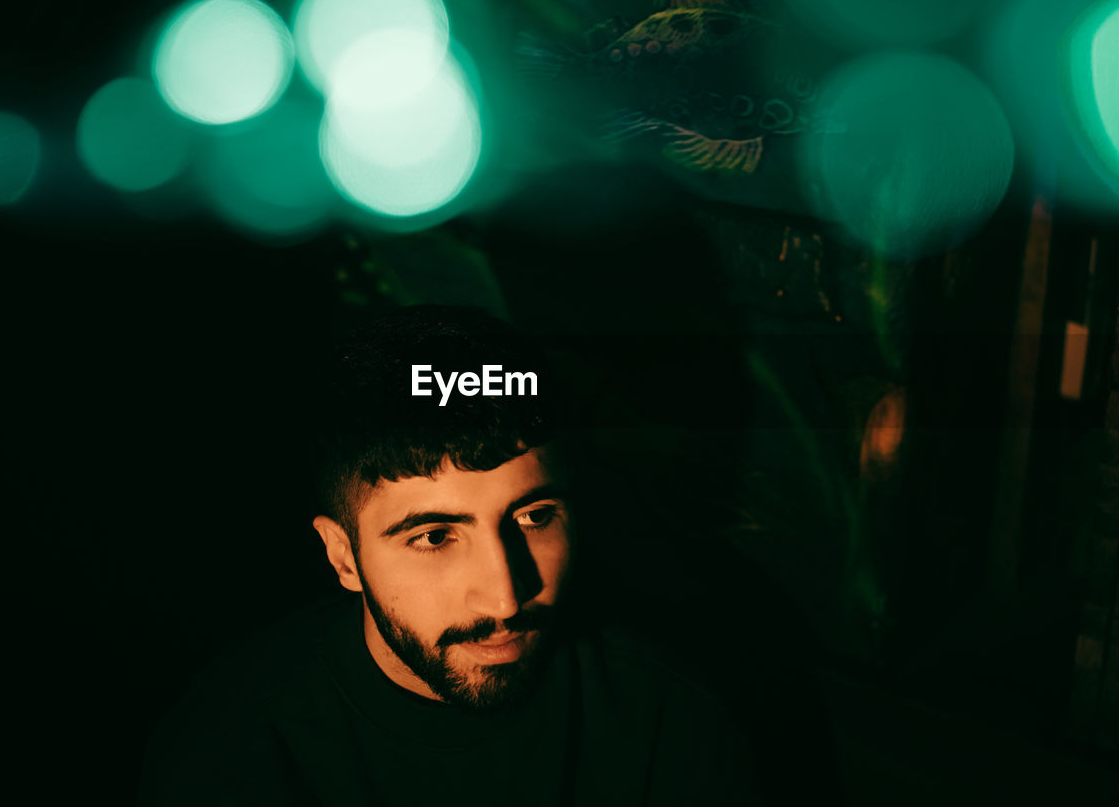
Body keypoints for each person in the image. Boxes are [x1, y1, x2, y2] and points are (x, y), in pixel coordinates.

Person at [138, 305, 765, 806]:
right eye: (435, 535)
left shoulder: (671, 722)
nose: (504, 597)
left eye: (534, 517)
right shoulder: (232, 750)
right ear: (343, 556)